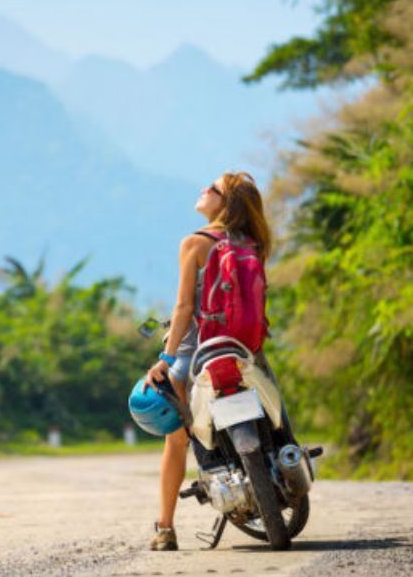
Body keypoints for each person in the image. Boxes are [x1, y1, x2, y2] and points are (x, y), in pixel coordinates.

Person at [143, 171, 272, 551]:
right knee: (273, 409)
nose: (204, 190)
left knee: (176, 441)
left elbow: (184, 306)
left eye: (212, 188)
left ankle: (165, 528)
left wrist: (166, 358)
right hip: (244, 349)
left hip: (197, 353)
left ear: (226, 202)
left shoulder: (194, 243)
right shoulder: (253, 244)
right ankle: (287, 455)